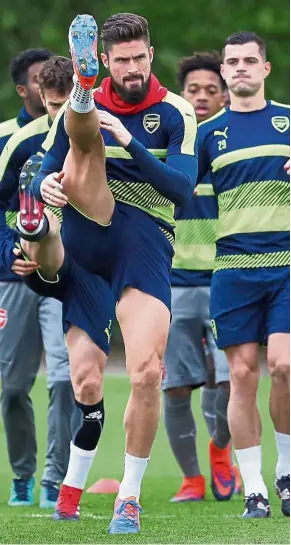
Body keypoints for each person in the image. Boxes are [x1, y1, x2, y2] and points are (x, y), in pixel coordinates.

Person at [18, 12, 198, 534]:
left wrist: (130, 139)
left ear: (151, 54)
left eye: (140, 58)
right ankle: (40, 229)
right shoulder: (101, 99)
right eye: (121, 61)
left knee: (144, 374)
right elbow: (46, 162)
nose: (134, 68)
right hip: (83, 229)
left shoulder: (173, 110)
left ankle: (127, 497)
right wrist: (46, 185)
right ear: (105, 62)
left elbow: (182, 190)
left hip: (142, 240)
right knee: (86, 380)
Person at [197, 31, 290, 518]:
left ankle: (286, 471)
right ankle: (254, 488)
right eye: (232, 62)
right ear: (223, 71)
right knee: (240, 375)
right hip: (232, 269)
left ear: (266, 69)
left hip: (286, 266)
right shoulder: (209, 133)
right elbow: (174, 187)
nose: (240, 69)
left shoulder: (289, 121)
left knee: (284, 365)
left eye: (250, 61)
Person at [163, 51, 241, 503]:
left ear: (226, 93)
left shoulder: (232, 148)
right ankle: (191, 478)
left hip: (223, 279)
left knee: (229, 380)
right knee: (174, 386)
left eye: (213, 89)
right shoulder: (171, 147)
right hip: (171, 285)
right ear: (182, 95)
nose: (204, 96)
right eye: (194, 90)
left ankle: (220, 451)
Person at [0, 56, 75, 508]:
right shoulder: (18, 141)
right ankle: (23, 474)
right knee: (11, 386)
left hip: (67, 276)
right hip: (15, 276)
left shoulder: (93, 136)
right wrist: (14, 249)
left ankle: (55, 478)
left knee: (65, 379)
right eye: (54, 103)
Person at [0, 49, 54, 153]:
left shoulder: (74, 130)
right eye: (38, 80)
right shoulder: (3, 136)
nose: (49, 85)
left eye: (53, 78)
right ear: (22, 90)